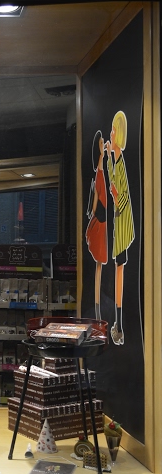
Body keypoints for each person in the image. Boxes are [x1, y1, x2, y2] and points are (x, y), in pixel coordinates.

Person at [106, 111, 134, 345]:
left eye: (113, 131)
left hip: (123, 224)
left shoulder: (121, 162)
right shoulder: (115, 160)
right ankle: (119, 322)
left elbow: (122, 196)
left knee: (119, 269)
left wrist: (115, 195)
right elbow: (113, 182)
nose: (111, 134)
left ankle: (120, 324)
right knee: (118, 269)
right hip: (119, 222)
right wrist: (107, 156)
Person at [85, 130, 108, 320]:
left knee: (99, 264)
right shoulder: (100, 174)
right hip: (101, 224)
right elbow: (96, 204)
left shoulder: (100, 174)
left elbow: (94, 205)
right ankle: (98, 306)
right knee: (99, 263)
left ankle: (98, 306)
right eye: (101, 143)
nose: (104, 144)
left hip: (101, 222)